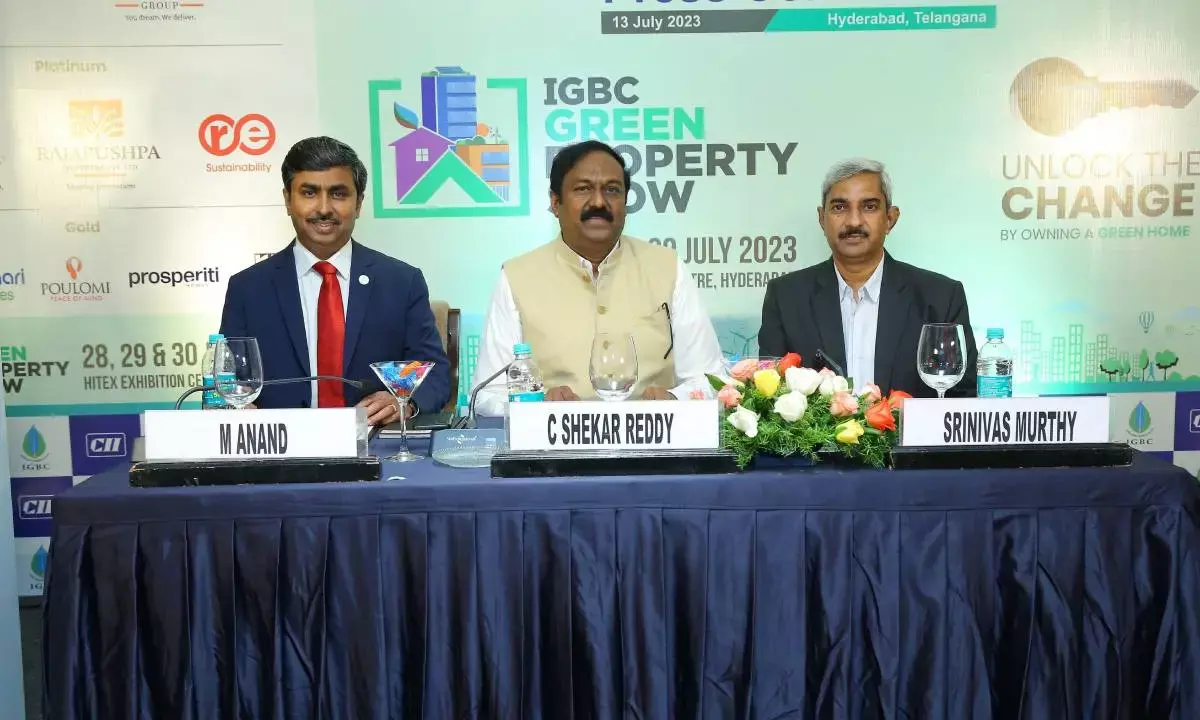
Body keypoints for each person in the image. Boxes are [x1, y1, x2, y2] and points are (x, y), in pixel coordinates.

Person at [472, 140, 725, 416]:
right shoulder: (517, 276)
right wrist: (538, 405)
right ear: (556, 203)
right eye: (583, 189)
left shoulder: (667, 268)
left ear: (626, 202)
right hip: (553, 453)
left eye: (612, 190)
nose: (599, 202)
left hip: (655, 449)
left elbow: (712, 380)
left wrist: (676, 399)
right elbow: (488, 395)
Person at [219, 136, 450, 421]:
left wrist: (404, 402)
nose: (324, 208)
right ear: (288, 200)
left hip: (376, 448)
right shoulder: (248, 289)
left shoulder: (401, 282)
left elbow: (435, 375)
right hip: (282, 453)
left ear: (359, 202)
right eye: (309, 193)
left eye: (339, 194)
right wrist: (235, 407)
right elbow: (228, 382)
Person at [759, 157, 977, 397]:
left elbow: (961, 399)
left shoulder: (940, 297)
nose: (854, 221)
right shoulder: (787, 297)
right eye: (839, 207)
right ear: (822, 218)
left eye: (869, 206)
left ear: (890, 219)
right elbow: (769, 397)